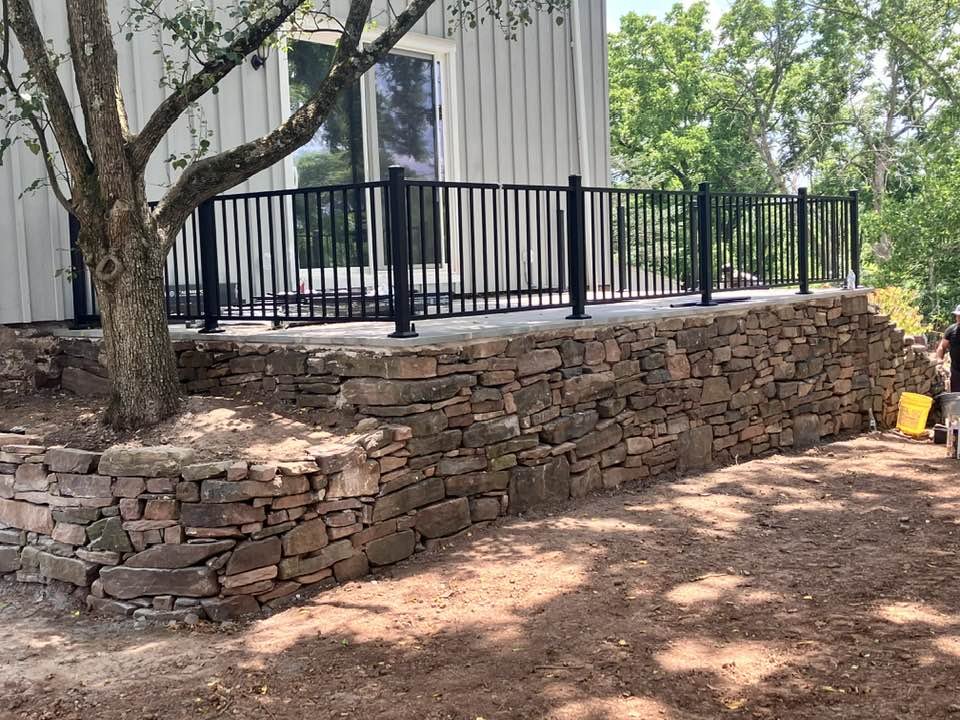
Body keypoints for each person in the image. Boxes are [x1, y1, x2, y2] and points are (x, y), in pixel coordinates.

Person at [936, 304, 960, 391]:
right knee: (957, 397)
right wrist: (939, 359)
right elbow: (942, 346)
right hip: (956, 371)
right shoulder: (951, 330)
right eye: (958, 316)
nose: (959, 318)